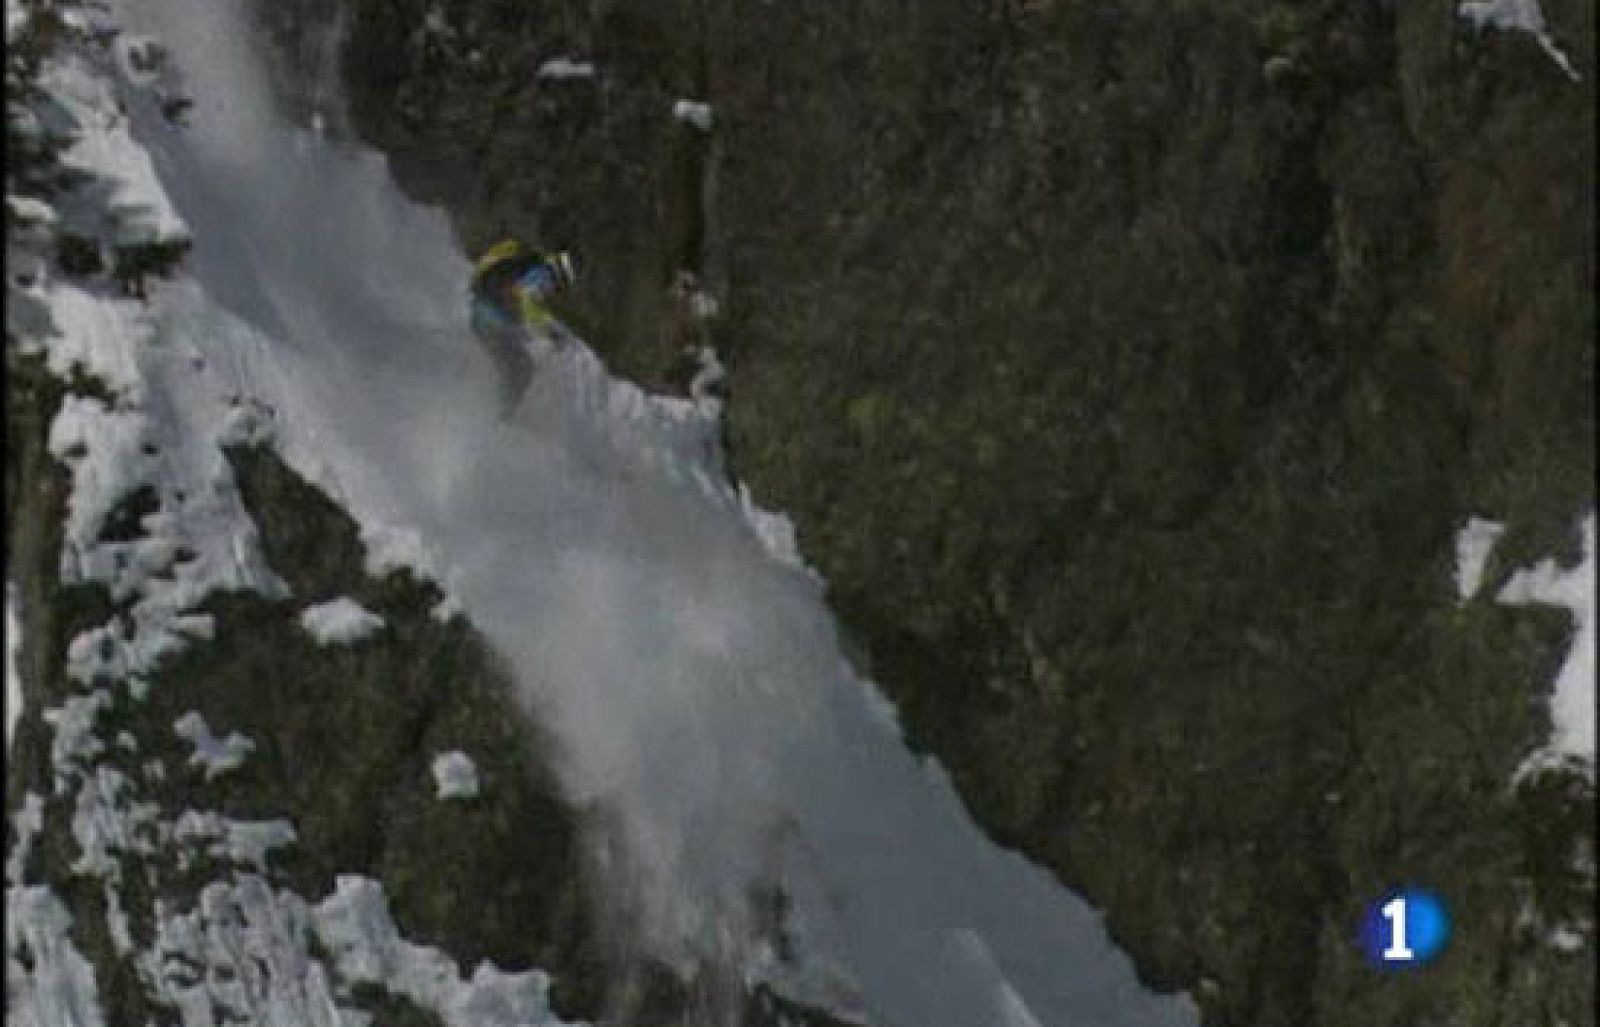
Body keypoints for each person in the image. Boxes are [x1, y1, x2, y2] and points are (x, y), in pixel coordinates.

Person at [468, 240, 577, 415]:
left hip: (483, 319)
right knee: (521, 369)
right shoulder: (543, 275)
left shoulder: (529, 264)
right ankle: (501, 416)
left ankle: (500, 410)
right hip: (491, 324)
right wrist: (552, 334)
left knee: (515, 368)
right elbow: (529, 307)